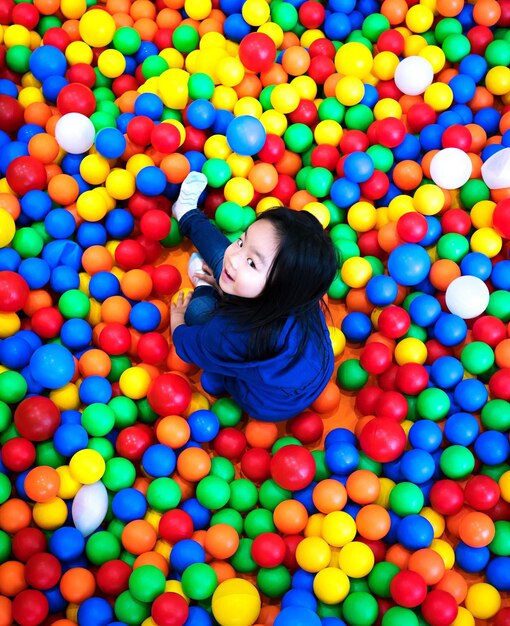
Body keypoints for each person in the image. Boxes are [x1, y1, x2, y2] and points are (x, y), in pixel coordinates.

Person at [169, 171, 339, 422]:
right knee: (222, 262)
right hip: (310, 368)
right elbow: (239, 262)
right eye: (240, 241)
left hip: (267, 402)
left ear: (282, 289)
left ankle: (203, 286)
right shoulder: (301, 292)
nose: (235, 257)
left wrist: (177, 320)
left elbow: (187, 347)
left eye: (252, 262)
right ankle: (186, 212)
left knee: (198, 312)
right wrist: (241, 267)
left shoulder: (230, 333)